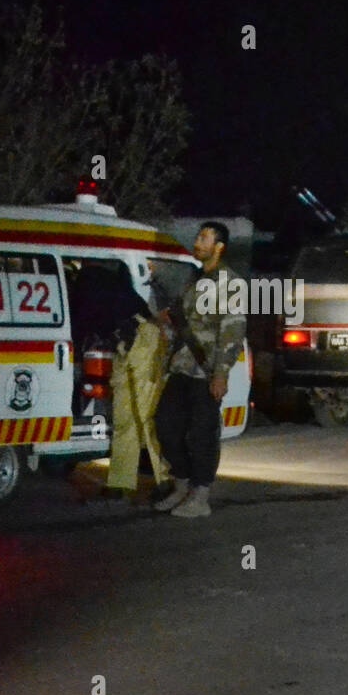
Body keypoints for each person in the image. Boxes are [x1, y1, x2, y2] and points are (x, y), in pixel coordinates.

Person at [152, 221, 246, 518]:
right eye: (198, 236)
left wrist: (221, 373)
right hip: (181, 366)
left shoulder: (229, 283)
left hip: (206, 370)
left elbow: (232, 331)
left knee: (203, 433)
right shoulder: (195, 280)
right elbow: (186, 319)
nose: (197, 241)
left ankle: (200, 496)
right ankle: (181, 484)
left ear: (219, 246)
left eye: (204, 238)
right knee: (166, 425)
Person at [105, 264, 172, 500]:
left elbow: (164, 317)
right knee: (126, 419)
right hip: (128, 342)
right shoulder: (126, 288)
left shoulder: (154, 286)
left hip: (143, 339)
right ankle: (120, 482)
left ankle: (164, 480)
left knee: (146, 417)